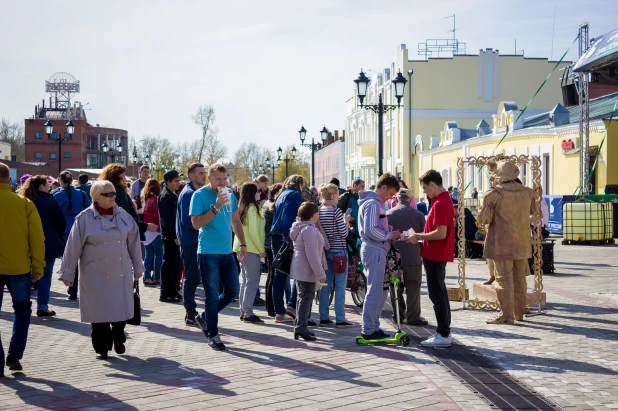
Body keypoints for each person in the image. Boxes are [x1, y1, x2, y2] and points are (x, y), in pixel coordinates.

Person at [58, 180, 144, 360]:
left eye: (114, 193)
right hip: (94, 274)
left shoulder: (124, 217)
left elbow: (134, 244)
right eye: (108, 194)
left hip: (121, 271)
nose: (114, 197)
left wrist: (138, 267)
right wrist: (68, 273)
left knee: (121, 309)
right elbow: (73, 246)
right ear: (96, 197)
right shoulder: (84, 218)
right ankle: (102, 347)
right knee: (98, 313)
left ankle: (118, 335)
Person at [190, 164, 247, 351]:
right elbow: (196, 224)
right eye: (218, 179)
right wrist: (216, 207)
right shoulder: (199, 196)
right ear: (209, 178)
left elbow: (236, 220)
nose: (222, 183)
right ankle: (213, 335)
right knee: (212, 296)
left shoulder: (230, 194)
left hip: (227, 252)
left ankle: (205, 317)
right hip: (208, 253)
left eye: (224, 179)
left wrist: (243, 244)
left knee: (232, 291)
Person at [0, 163, 45, 375]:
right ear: (9, 180)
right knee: (22, 309)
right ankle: (15, 355)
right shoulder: (24, 203)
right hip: (19, 267)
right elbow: (36, 237)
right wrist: (38, 266)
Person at [478, 161, 535, 324]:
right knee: (520, 279)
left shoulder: (493, 194)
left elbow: (484, 219)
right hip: (522, 241)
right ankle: (519, 313)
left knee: (503, 280)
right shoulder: (528, 192)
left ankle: (506, 316)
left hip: (500, 243)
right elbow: (534, 212)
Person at [405, 170, 455, 347]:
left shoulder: (441, 203)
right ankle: (444, 332)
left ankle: (443, 333)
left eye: (425, 188)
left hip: (435, 254)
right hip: (435, 253)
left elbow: (440, 233)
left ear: (433, 184)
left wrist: (418, 236)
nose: (425, 192)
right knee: (440, 293)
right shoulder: (441, 201)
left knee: (437, 294)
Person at [357, 173, 401, 340]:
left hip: (377, 249)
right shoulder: (374, 204)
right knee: (375, 290)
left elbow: (373, 227)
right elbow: (370, 230)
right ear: (383, 188)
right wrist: (389, 235)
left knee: (380, 290)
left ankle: (373, 326)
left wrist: (387, 232)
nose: (390, 198)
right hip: (374, 249)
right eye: (390, 194)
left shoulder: (374, 203)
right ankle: (368, 329)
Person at [21, 175, 66, 317]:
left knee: (24, 275)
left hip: (25, 243)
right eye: (47, 185)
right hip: (48, 242)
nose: (49, 187)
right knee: (45, 275)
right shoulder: (49, 200)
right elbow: (61, 221)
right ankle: (42, 306)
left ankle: (22, 303)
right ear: (41, 186)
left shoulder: (24, 200)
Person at [386, 188, 427, 325]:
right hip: (413, 256)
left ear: (397, 199)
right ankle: (413, 316)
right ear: (410, 199)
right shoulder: (418, 215)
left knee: (395, 287)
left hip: (394, 258)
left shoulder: (388, 214)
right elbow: (424, 236)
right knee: (413, 287)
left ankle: (398, 314)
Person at [270, 175, 306, 323]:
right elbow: (287, 218)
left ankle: (279, 311)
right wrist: (289, 238)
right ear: (300, 184)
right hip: (284, 238)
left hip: (275, 236)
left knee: (279, 274)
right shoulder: (294, 195)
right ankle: (290, 306)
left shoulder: (282, 194)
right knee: (299, 272)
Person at [289, 202, 327, 341]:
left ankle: (301, 326)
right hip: (306, 269)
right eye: (317, 212)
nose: (318, 214)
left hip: (302, 267)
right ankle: (301, 327)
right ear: (312, 214)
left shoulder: (302, 227)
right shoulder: (309, 229)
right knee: (306, 298)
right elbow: (312, 254)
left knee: (303, 297)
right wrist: (321, 274)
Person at [318, 183, 353, 327]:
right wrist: (346, 222)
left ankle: (324, 316)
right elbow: (344, 233)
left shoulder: (319, 210)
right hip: (339, 251)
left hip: (325, 251)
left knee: (326, 285)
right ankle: (340, 317)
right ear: (333, 195)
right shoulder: (336, 212)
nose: (338, 197)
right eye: (337, 194)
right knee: (340, 286)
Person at [54, 170, 92, 300]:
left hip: (64, 231)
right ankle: (85, 288)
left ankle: (72, 288)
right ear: (72, 180)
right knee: (84, 261)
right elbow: (89, 210)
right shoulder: (81, 194)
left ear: (60, 180)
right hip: (81, 230)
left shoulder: (57, 195)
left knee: (70, 261)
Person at [177, 163, 206, 326]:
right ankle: (190, 313)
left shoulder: (194, 192)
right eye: (200, 173)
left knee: (194, 277)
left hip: (193, 240)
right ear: (191, 175)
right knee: (192, 277)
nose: (204, 175)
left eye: (204, 172)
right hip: (190, 241)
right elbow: (188, 221)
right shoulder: (189, 194)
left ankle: (192, 312)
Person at [233, 182, 266, 323]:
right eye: (257, 191)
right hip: (251, 248)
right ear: (252, 193)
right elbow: (254, 232)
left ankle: (244, 310)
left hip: (241, 247)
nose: (260, 193)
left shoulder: (242, 207)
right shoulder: (252, 208)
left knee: (245, 281)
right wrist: (261, 249)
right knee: (252, 281)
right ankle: (247, 312)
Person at [99, 164, 154, 242]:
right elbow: (125, 217)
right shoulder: (119, 193)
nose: (125, 178)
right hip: (123, 235)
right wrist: (145, 226)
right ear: (116, 177)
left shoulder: (104, 192)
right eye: (123, 175)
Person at [159, 170, 182, 303]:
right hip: (170, 238)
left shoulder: (172, 194)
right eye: (176, 181)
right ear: (168, 182)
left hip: (175, 236)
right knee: (168, 265)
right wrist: (174, 236)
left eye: (179, 181)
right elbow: (166, 220)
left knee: (175, 264)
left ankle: (172, 290)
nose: (178, 183)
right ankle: (165, 293)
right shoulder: (165, 197)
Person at [263, 183, 283, 317]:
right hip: (271, 243)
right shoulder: (272, 206)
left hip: (267, 243)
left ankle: (270, 306)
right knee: (274, 275)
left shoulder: (266, 204)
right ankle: (273, 307)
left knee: (271, 274)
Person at [141, 178, 163, 286]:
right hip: (155, 229)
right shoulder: (155, 199)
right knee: (158, 254)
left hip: (146, 229)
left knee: (148, 254)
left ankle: (147, 277)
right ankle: (157, 277)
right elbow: (157, 215)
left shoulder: (146, 198)